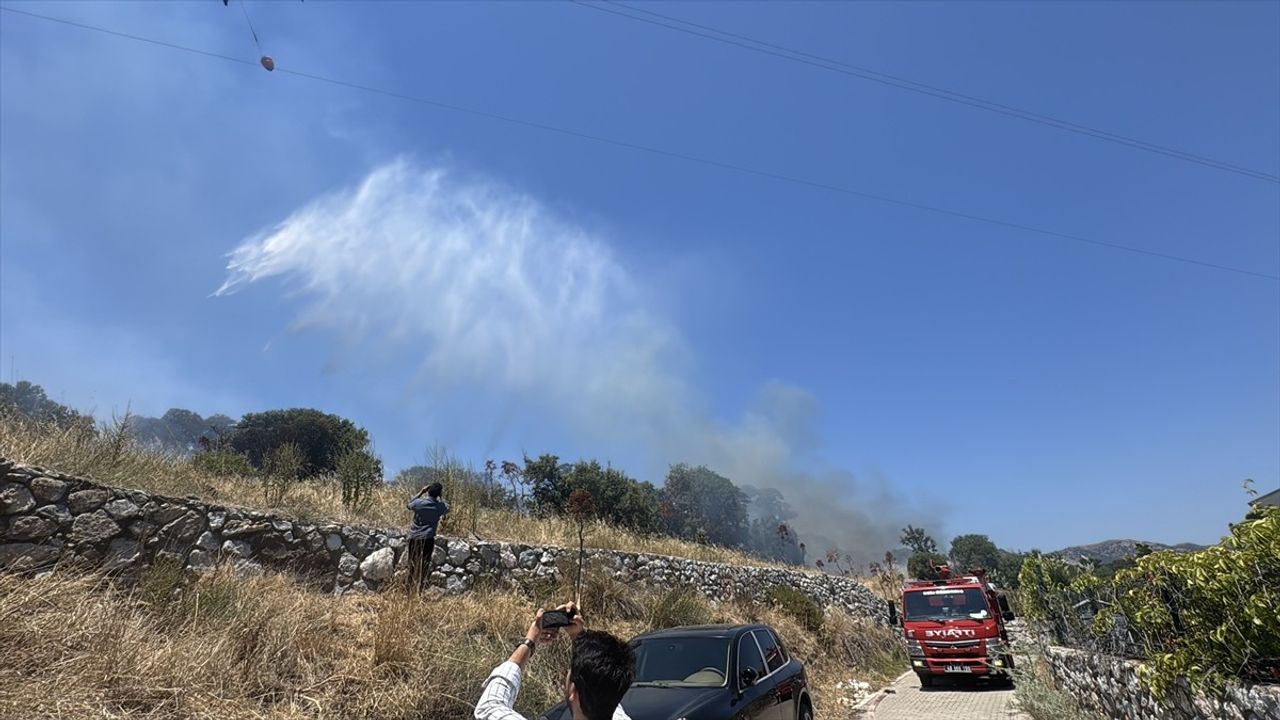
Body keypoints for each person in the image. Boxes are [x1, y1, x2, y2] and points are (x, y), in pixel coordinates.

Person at [475, 602, 634, 720]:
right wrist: (578, 637)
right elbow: (607, 692)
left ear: (574, 692)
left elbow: (490, 705)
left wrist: (530, 640)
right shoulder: (614, 705)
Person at [406, 481, 449, 590]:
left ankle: (408, 588)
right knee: (424, 565)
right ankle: (419, 589)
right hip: (428, 539)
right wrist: (441, 497)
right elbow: (447, 507)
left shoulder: (419, 503)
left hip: (414, 537)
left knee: (412, 564)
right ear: (439, 493)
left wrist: (421, 492)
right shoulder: (439, 506)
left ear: (428, 491)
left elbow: (409, 504)